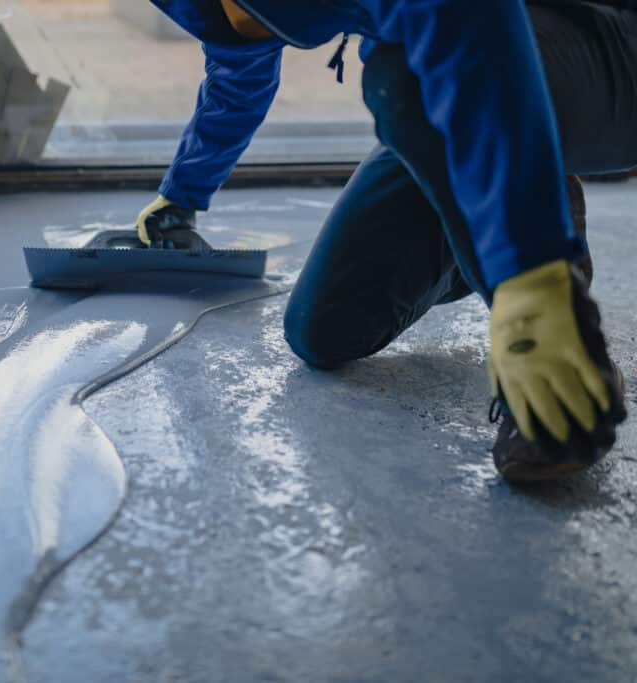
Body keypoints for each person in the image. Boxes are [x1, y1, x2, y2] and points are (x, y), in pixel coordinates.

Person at [137, 0, 636, 482]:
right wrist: (181, 196)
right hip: (458, 75)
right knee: (326, 329)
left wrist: (528, 272)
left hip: (598, 39)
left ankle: (564, 335)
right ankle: (512, 198)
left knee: (406, 80)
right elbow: (239, 59)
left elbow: (465, 13)